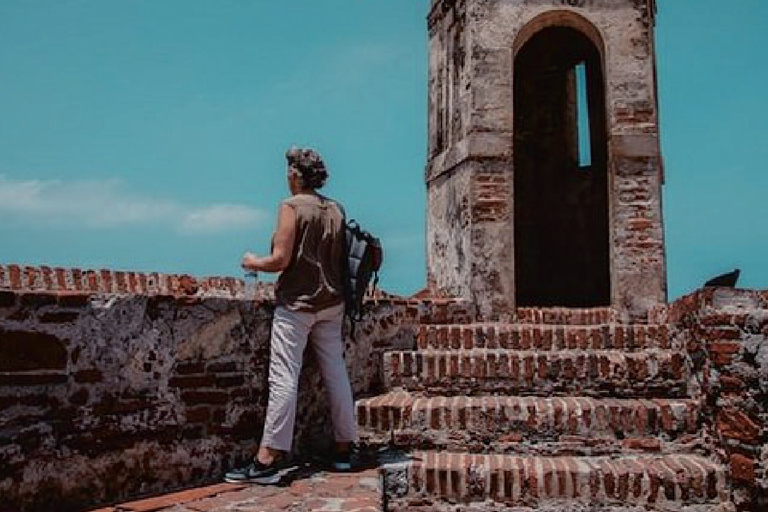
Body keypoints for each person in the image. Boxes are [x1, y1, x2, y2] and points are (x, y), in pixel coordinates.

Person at [224, 147, 356, 485]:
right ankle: (345, 448)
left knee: (283, 378)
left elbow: (280, 260)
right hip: (332, 303)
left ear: (296, 174)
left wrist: (252, 261)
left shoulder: (291, 207)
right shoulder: (335, 209)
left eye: (288, 170)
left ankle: (268, 458)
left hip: (297, 305)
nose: (286, 176)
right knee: (336, 374)